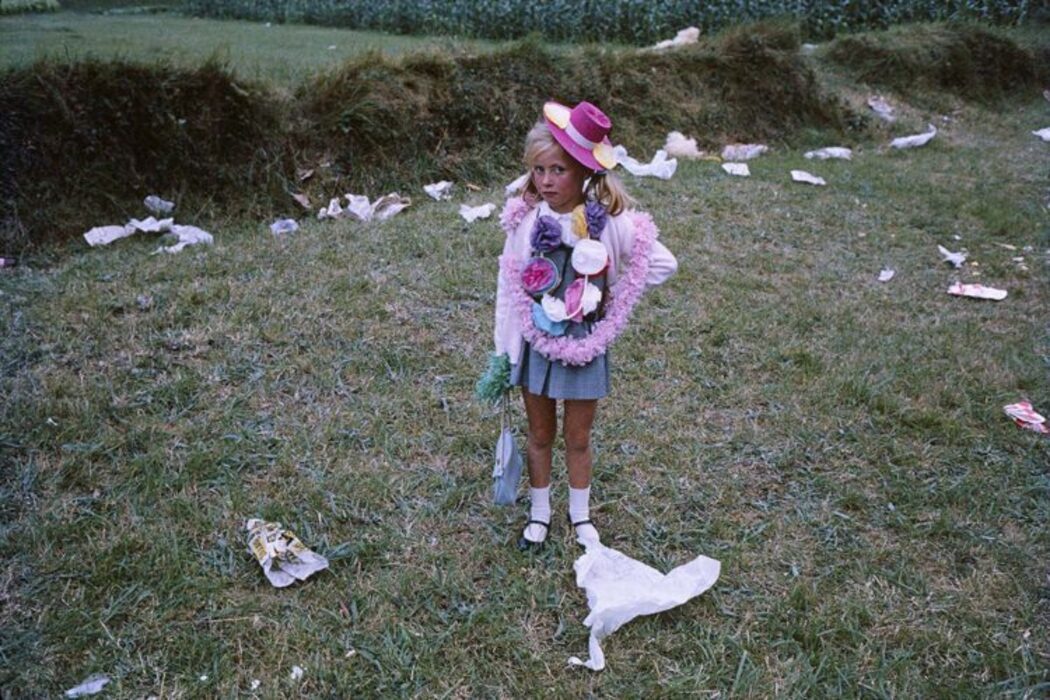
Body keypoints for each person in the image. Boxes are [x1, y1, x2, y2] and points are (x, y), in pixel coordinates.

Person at [493, 100, 678, 551]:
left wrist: (611, 287)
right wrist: (504, 349)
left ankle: (580, 517)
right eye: (538, 170)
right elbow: (507, 285)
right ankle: (539, 515)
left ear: (582, 173)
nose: (546, 181)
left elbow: (663, 263)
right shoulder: (526, 220)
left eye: (557, 170)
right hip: (536, 341)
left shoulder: (609, 222)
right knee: (540, 433)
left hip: (584, 342)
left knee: (578, 436)